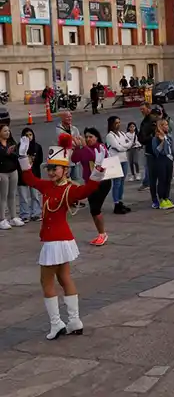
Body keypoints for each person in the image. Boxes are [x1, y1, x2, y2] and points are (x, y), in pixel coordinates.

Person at [18, 133, 106, 340]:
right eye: (49, 168)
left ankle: (57, 323)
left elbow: (89, 189)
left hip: (56, 241)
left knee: (46, 281)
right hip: (58, 239)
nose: (50, 172)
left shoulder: (70, 189)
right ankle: (74, 321)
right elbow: (29, 179)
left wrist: (98, 168)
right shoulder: (47, 186)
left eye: (55, 168)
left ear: (65, 170)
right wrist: (22, 157)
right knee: (64, 277)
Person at [71, 127, 112, 246]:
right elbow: (74, 159)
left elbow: (94, 158)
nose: (88, 139)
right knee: (93, 210)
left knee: (95, 208)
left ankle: (103, 234)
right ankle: (101, 233)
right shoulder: (84, 149)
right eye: (86, 137)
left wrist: (84, 147)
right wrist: (77, 148)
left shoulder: (100, 147)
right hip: (89, 182)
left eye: (91, 137)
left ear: (96, 137)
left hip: (102, 181)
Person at [105, 116, 133, 215]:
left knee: (122, 182)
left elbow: (130, 142)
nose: (118, 125)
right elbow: (118, 147)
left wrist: (124, 146)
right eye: (116, 123)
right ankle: (116, 203)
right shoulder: (110, 136)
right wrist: (125, 147)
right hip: (114, 160)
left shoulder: (122, 134)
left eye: (119, 122)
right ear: (111, 124)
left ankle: (120, 201)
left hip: (123, 159)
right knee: (116, 183)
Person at [17, 127, 44, 223]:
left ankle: (36, 213)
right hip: (22, 176)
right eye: (26, 135)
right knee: (23, 197)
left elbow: (40, 160)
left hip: (34, 174)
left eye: (30, 135)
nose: (29, 137)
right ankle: (24, 214)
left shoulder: (37, 146)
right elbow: (17, 161)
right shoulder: (19, 147)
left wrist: (32, 160)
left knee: (35, 196)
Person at [151, 119, 174, 210]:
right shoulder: (156, 138)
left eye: (167, 124)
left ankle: (166, 197)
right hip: (161, 159)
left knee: (168, 179)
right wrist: (162, 141)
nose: (167, 126)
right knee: (162, 179)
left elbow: (172, 148)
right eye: (165, 125)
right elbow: (156, 151)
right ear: (160, 126)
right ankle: (161, 199)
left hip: (169, 159)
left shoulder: (169, 136)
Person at [0, 123, 21, 229]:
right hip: (2, 172)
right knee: (3, 196)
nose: (7, 133)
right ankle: (2, 219)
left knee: (12, 195)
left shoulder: (11, 142)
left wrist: (11, 153)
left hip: (13, 171)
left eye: (8, 130)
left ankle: (13, 217)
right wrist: (6, 153)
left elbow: (17, 155)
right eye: (5, 131)